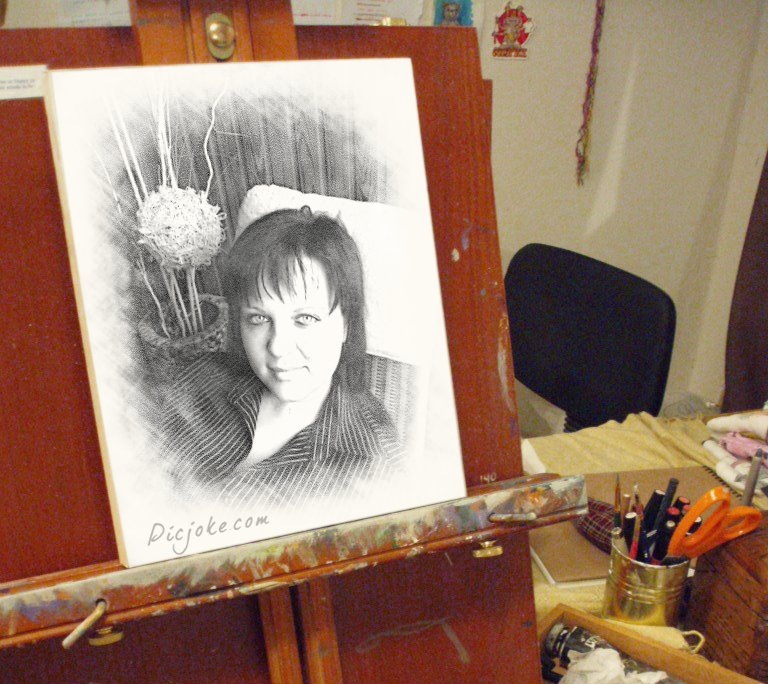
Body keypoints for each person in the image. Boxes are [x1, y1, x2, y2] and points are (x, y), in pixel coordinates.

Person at [161, 206, 404, 509]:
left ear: (346, 324)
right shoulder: (195, 381)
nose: (277, 347)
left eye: (305, 319)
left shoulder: (374, 466)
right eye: (259, 318)